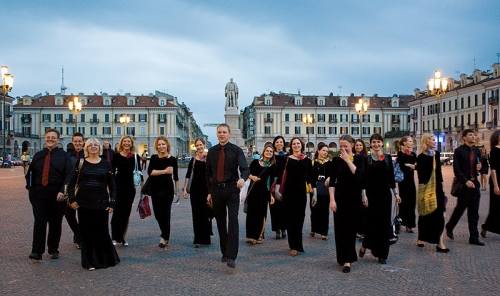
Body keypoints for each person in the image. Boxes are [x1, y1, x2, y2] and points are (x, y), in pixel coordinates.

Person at [67, 138, 120, 270]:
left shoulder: (106, 164)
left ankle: (104, 259)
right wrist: (72, 200)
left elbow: (112, 185)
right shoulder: (80, 163)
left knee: (102, 232)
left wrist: (112, 203)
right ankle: (89, 262)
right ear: (86, 148)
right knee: (86, 233)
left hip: (101, 203)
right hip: (83, 204)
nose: (94, 147)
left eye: (96, 145)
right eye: (91, 145)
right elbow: (71, 184)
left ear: (100, 148)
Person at [25, 129, 73, 261]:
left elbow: (69, 175)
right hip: (39, 194)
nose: (50, 139)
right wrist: (30, 188)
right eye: (48, 137)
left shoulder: (64, 156)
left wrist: (63, 191)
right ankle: (36, 251)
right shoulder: (38, 155)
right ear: (45, 138)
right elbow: (30, 173)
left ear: (58, 139)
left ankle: (53, 249)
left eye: (53, 137)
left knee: (55, 223)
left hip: (57, 194)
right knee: (39, 222)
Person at [206, 124, 249, 268]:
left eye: (224, 132)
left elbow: (245, 168)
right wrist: (209, 192)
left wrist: (242, 178)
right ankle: (224, 252)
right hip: (217, 191)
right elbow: (208, 174)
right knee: (220, 223)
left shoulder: (236, 150)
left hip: (232, 190)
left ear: (229, 134)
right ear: (217, 134)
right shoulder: (211, 152)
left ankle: (232, 256)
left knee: (233, 221)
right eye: (219, 132)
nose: (222, 134)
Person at [359, 134, 400, 264]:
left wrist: (396, 194)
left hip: (385, 196)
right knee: (371, 223)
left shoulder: (387, 158)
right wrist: (364, 195)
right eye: (374, 142)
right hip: (371, 196)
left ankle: (382, 254)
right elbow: (363, 179)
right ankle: (365, 245)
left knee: (384, 225)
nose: (376, 144)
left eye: (378, 142)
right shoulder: (367, 159)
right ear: (370, 144)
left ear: (382, 143)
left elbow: (391, 179)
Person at [329, 135, 365, 273]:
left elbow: (360, 177)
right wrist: (332, 200)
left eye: (346, 146)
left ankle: (348, 260)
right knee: (340, 230)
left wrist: (348, 160)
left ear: (352, 145)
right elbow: (332, 182)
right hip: (339, 198)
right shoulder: (336, 160)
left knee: (350, 230)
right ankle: (342, 257)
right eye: (341, 146)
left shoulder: (359, 159)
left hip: (354, 198)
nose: (343, 148)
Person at [445, 129, 484, 246]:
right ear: (464, 138)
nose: (473, 137)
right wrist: (465, 181)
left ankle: (474, 238)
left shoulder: (477, 151)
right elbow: (456, 170)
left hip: (475, 184)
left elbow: (483, 168)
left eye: (474, 135)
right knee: (459, 210)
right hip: (464, 186)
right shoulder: (458, 151)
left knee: (474, 212)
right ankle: (449, 226)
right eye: (470, 135)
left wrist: (480, 167)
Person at [275, 137, 313, 257]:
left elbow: (310, 177)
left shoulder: (307, 160)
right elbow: (280, 176)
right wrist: (277, 190)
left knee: (300, 219)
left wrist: (313, 191)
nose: (296, 145)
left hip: (301, 193)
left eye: (298, 143)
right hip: (288, 193)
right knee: (291, 219)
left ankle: (298, 244)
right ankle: (293, 246)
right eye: (294, 144)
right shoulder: (286, 159)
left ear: (301, 145)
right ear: (291, 146)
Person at [415, 134, 449, 253]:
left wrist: (442, 189)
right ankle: (421, 237)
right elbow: (421, 177)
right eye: (432, 140)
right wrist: (424, 192)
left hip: (437, 189)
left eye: (435, 140)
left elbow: (439, 173)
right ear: (426, 142)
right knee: (425, 214)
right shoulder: (420, 157)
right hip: (426, 189)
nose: (434, 142)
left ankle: (440, 242)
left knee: (440, 215)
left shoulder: (437, 155)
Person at [147, 136, 179, 248]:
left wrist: (177, 191)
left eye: (163, 144)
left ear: (167, 145)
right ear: (157, 146)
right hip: (155, 190)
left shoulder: (172, 159)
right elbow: (150, 172)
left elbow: (176, 176)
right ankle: (164, 234)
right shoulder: (154, 158)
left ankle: (164, 237)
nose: (161, 146)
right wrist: (165, 171)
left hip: (168, 190)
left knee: (166, 214)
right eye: (159, 144)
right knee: (157, 214)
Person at [111, 135, 141, 247]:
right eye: (125, 141)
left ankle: (122, 237)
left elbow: (139, 172)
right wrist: (111, 186)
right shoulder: (116, 156)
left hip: (130, 188)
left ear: (131, 143)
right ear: (121, 143)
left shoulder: (135, 156)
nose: (127, 143)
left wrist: (142, 188)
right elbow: (112, 172)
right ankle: (114, 237)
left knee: (126, 213)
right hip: (118, 187)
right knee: (117, 213)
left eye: (129, 141)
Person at [183, 138, 212, 247]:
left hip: (206, 190)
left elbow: (212, 174)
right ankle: (197, 239)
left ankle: (206, 238)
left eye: (201, 145)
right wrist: (185, 189)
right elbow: (188, 174)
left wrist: (211, 192)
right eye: (197, 145)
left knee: (205, 213)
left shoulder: (209, 158)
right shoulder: (193, 159)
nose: (199, 147)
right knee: (196, 214)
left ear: (204, 145)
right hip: (195, 190)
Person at [245, 143, 276, 245]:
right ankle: (251, 235)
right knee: (251, 213)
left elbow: (272, 182)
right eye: (267, 151)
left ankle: (259, 235)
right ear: (263, 151)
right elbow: (246, 173)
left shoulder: (272, 166)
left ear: (273, 154)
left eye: (271, 151)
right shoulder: (255, 162)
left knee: (261, 213)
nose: (269, 152)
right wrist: (252, 177)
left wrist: (271, 195)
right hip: (253, 190)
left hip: (264, 192)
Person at [310, 142, 333, 240]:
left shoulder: (330, 163)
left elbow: (334, 173)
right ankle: (314, 229)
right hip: (315, 188)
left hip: (325, 190)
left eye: (327, 151)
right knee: (314, 210)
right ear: (318, 151)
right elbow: (310, 176)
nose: (325, 152)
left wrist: (330, 178)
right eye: (323, 150)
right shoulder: (313, 162)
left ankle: (324, 232)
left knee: (325, 211)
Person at [66, 132, 85, 249]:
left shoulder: (87, 154)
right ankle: (78, 234)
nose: (78, 143)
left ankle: (79, 237)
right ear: (73, 142)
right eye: (76, 141)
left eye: (80, 141)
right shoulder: (67, 155)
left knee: (82, 215)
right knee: (69, 214)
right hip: (70, 188)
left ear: (83, 142)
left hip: (83, 189)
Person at [481, 130, 500, 238]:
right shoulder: (494, 151)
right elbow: (493, 170)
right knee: (495, 207)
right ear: (497, 137)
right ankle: (486, 226)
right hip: (497, 181)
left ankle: (487, 226)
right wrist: (496, 186)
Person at [396, 136, 417, 233]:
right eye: (409, 141)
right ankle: (399, 223)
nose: (411, 142)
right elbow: (402, 165)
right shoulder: (400, 154)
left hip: (411, 181)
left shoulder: (413, 154)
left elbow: (417, 165)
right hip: (403, 182)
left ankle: (410, 225)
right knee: (403, 203)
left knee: (412, 203)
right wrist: (410, 165)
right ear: (404, 143)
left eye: (412, 141)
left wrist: (411, 165)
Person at [270, 136, 287, 240]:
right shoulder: (271, 155)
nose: (279, 143)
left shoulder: (288, 156)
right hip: (273, 184)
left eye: (281, 142)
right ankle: (277, 229)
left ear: (284, 144)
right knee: (274, 207)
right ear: (274, 144)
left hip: (285, 184)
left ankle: (284, 228)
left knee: (284, 207)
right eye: (277, 142)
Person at [354, 139, 368, 239]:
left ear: (363, 146)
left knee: (363, 209)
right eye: (357, 145)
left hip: (363, 184)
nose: (358, 147)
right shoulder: (353, 157)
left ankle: (362, 230)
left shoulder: (365, 158)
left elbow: (365, 172)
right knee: (357, 209)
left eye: (360, 145)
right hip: (354, 185)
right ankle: (357, 230)